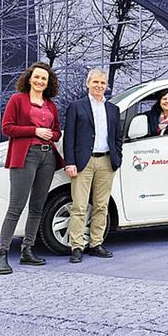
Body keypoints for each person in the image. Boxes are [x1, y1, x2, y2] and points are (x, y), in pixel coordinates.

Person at [0, 62, 65, 275]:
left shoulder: (50, 105)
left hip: (47, 157)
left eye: (44, 78)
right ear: (29, 78)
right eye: (37, 77)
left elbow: (57, 132)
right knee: (16, 205)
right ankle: (2, 253)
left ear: (48, 82)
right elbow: (7, 128)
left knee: (37, 206)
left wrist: (49, 135)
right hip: (26, 155)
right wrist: (35, 131)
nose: (40, 81)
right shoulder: (17, 100)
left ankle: (27, 250)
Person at [64, 68, 123, 263]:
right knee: (79, 206)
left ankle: (96, 244)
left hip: (106, 161)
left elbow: (117, 137)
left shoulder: (113, 109)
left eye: (102, 83)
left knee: (101, 205)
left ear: (106, 86)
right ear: (88, 83)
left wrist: (117, 158)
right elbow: (69, 137)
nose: (99, 86)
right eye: (95, 82)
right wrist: (70, 162)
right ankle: (76, 247)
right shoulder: (76, 106)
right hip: (83, 162)